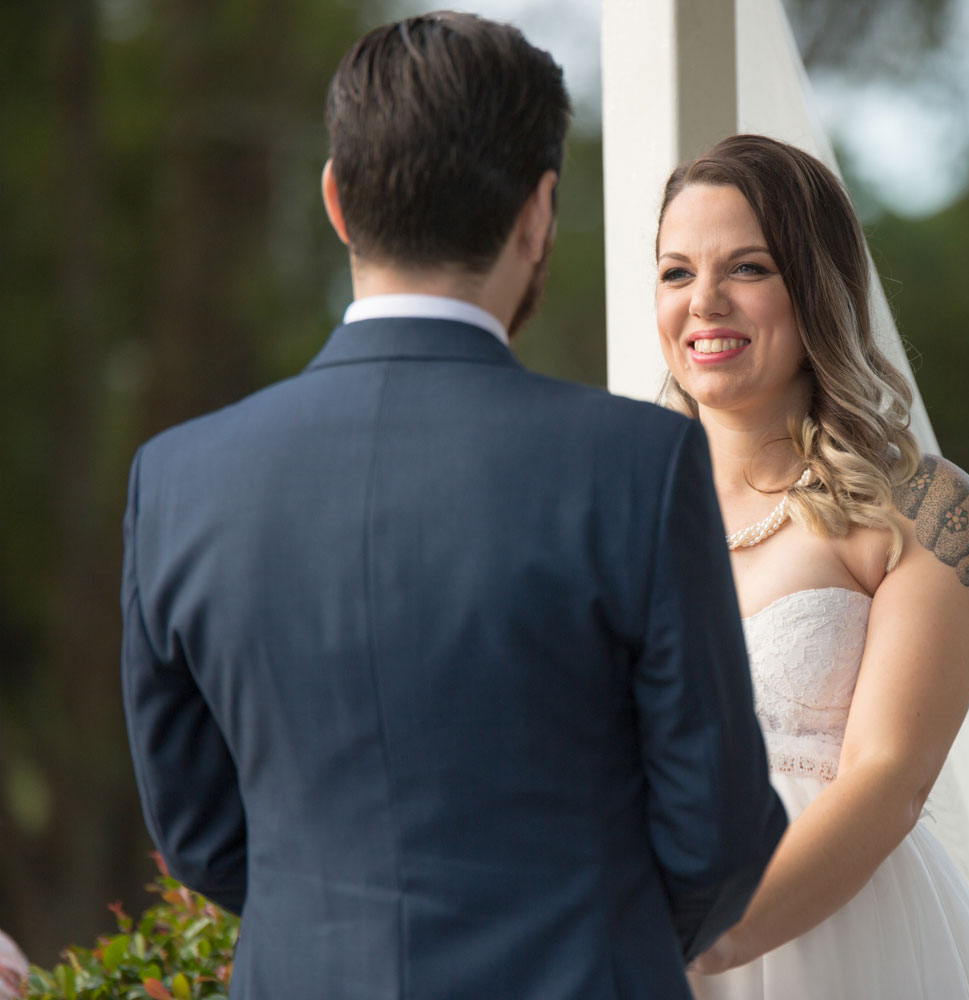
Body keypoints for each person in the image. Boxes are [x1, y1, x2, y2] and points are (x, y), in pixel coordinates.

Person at [120, 15, 785, 1000]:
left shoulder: (178, 477)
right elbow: (719, 829)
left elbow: (198, 833)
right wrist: (603, 935)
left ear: (337, 202)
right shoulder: (637, 464)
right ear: (538, 213)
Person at [654, 133, 969, 998]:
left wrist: (701, 944)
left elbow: (891, 779)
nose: (705, 302)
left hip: (835, 944)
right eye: (675, 273)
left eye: (748, 268)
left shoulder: (920, 507)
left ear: (814, 287)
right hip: (625, 926)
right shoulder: (612, 501)